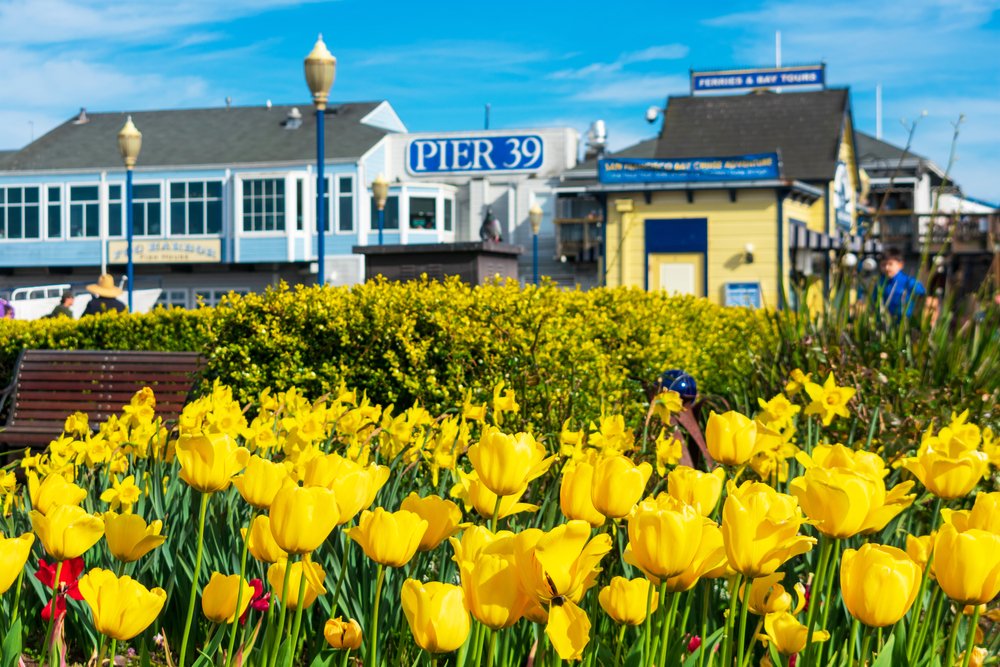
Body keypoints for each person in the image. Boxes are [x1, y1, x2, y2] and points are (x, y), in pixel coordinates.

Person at [873, 247, 925, 319]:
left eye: (890, 264)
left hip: (905, 323)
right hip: (884, 322)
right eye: (883, 265)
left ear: (900, 265)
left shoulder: (909, 282)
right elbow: (874, 302)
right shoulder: (879, 283)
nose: (886, 268)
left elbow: (924, 298)